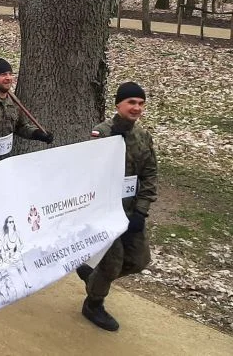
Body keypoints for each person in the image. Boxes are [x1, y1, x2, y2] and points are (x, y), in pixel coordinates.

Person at [75, 82, 158, 332]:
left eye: (141, 104)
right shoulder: (101, 133)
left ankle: (92, 276)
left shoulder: (143, 137)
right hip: (105, 213)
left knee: (139, 260)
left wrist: (142, 211)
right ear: (118, 105)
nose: (137, 108)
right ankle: (93, 303)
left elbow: (150, 174)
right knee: (112, 264)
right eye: (132, 102)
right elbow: (88, 173)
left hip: (131, 212)